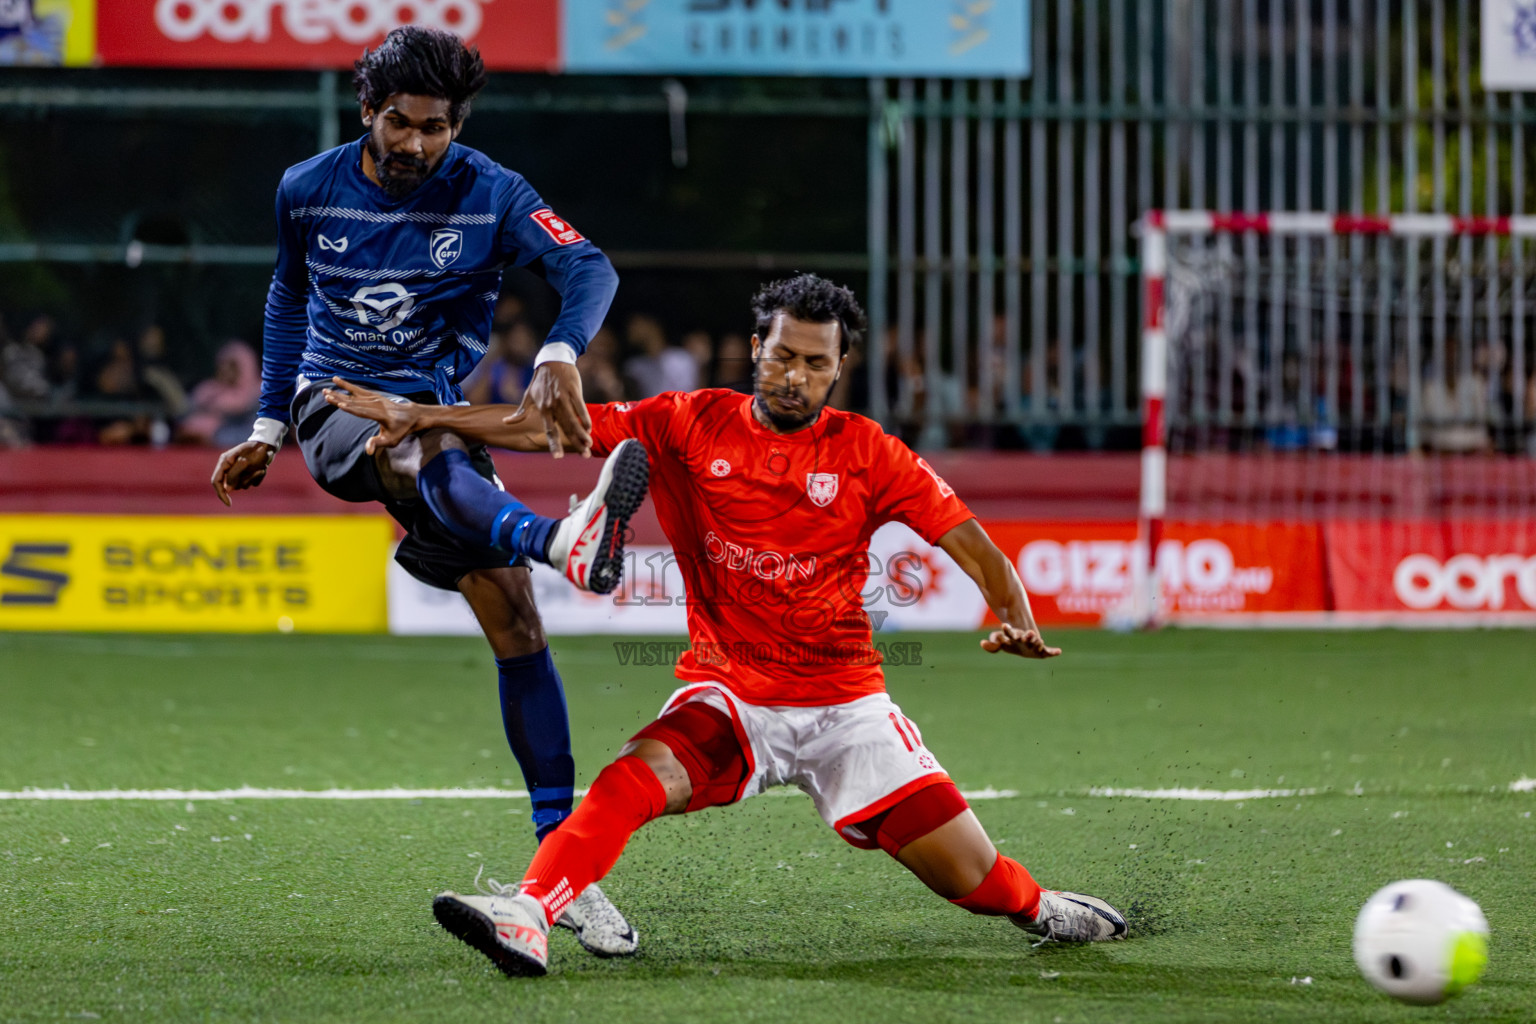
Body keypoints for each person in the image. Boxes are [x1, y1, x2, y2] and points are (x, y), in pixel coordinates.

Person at [325, 273, 1127, 978]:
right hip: (732, 697)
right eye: (783, 356)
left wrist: (1015, 615)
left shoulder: (870, 452)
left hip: (848, 712)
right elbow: (552, 428)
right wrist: (424, 415)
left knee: (976, 883)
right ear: (755, 348)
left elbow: (973, 544)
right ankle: (529, 915)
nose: (796, 375)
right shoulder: (687, 421)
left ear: (839, 368)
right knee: (627, 782)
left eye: (816, 363)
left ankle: (1039, 907)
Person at [206, 26, 647, 957]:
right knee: (409, 448)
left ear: (458, 123)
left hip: (437, 418)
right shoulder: (307, 186)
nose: (414, 144)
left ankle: (558, 876)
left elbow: (588, 266)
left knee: (519, 628)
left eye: (435, 128)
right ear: (367, 111)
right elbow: (289, 298)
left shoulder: (492, 191)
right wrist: (266, 428)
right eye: (399, 124)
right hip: (336, 407)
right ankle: (557, 538)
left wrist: (559, 349)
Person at [178, 340, 262, 447]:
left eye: (231, 366)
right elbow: (185, 409)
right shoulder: (209, 389)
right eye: (223, 365)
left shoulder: (258, 393)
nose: (226, 370)